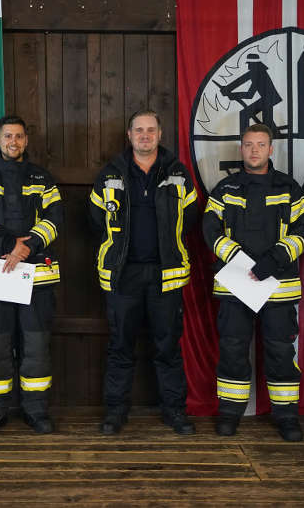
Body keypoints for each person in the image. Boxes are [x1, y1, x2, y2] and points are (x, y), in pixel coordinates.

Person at [89, 109, 198, 435]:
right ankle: (115, 414)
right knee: (120, 346)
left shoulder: (178, 172)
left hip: (167, 274)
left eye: (151, 130)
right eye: (139, 130)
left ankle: (175, 412)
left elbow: (190, 217)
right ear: (129, 134)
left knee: (167, 347)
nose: (145, 136)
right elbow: (96, 217)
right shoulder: (110, 174)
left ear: (160, 134)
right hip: (124, 275)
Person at [202, 123, 304, 440]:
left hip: (278, 287)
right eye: (248, 144)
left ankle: (287, 416)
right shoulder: (225, 190)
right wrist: (239, 259)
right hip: (235, 286)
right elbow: (210, 230)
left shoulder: (289, 188)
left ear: (270, 148)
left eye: (260, 144)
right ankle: (229, 413)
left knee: (280, 351)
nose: (254, 150)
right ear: (241, 148)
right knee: (233, 349)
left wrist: (273, 260)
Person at [0, 115, 63, 436]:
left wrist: (28, 246)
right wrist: (8, 244)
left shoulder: (42, 178)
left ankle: (36, 412)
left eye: (19, 136)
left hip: (37, 277)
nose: (13, 142)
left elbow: (55, 218)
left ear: (26, 141)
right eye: (8, 136)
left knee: (35, 348)